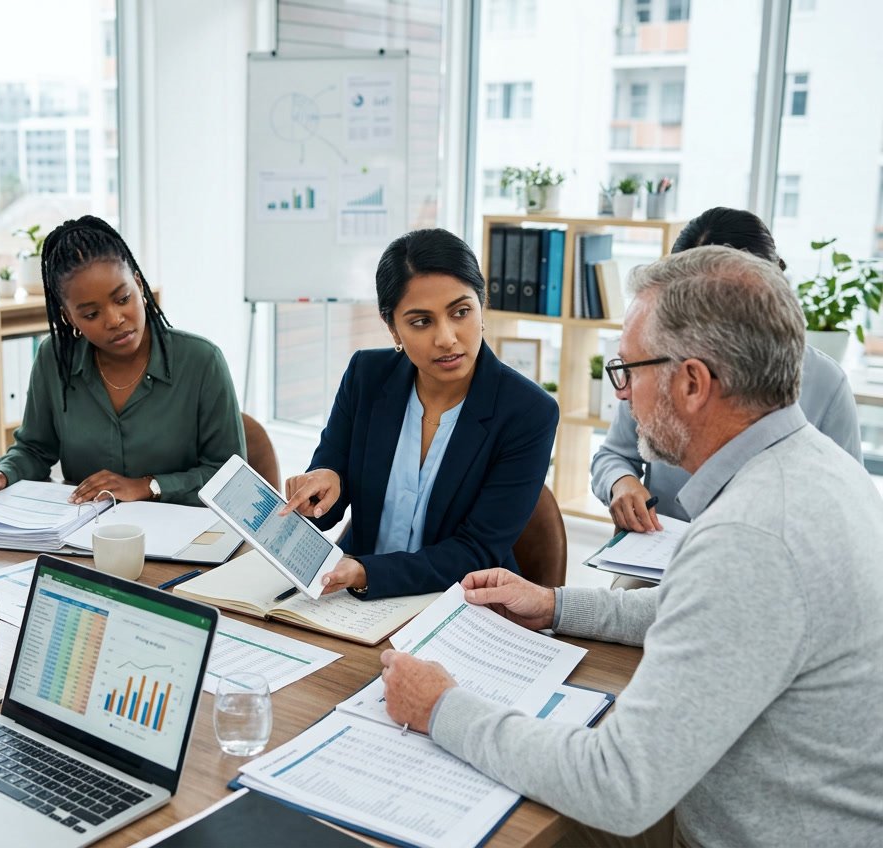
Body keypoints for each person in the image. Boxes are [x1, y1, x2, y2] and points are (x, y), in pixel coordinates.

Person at [380, 246, 883, 847]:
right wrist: (557, 606)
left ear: (692, 383)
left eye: (627, 370)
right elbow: (710, 612)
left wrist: (439, 707)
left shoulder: (751, 536)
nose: (621, 395)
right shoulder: (812, 463)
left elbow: (614, 784)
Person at [282, 229, 557, 599]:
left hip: (461, 603)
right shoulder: (366, 376)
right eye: (421, 322)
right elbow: (326, 509)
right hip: (356, 601)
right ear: (392, 327)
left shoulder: (528, 412)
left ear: (482, 304)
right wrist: (323, 484)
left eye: (461, 312)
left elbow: (476, 551)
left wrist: (367, 572)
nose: (446, 338)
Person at [592, 206, 861, 532]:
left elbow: (842, 504)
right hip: (661, 545)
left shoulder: (826, 383)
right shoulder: (654, 368)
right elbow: (613, 454)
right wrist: (621, 482)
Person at [0, 215, 245, 507]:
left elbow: (230, 478)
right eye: (91, 314)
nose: (114, 320)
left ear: (138, 285)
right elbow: (35, 449)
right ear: (68, 317)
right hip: (85, 535)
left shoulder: (202, 362)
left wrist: (148, 486)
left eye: (122, 299)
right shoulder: (54, 358)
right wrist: (2, 474)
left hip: (184, 537)